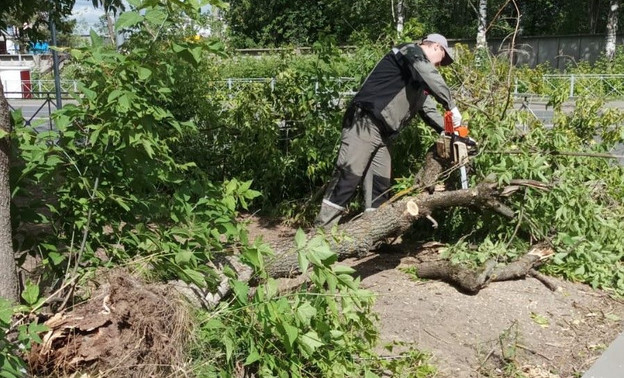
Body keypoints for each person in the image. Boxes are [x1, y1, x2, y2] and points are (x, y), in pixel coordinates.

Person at [315, 33, 464, 227]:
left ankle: (373, 235)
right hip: (365, 122)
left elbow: (428, 110)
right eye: (441, 60)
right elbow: (428, 72)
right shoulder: (409, 50)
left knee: (379, 185)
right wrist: (451, 105)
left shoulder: (418, 81)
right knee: (348, 177)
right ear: (436, 47)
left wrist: (453, 130)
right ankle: (322, 233)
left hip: (384, 133)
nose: (438, 66)